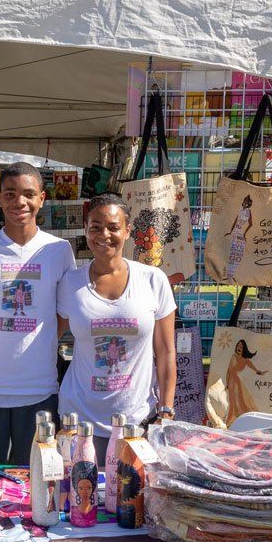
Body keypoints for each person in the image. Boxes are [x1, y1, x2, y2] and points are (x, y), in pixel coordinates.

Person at [0, 162, 75, 464]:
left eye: (28, 194)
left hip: (40, 389)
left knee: (35, 487)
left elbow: (63, 316)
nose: (19, 202)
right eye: (10, 194)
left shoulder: (59, 250)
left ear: (42, 199)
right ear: (0, 199)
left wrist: (41, 341)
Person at [55, 194, 178, 464]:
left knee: (129, 500)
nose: (105, 235)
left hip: (135, 420)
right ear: (86, 230)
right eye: (95, 227)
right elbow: (47, 336)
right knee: (79, 500)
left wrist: (166, 410)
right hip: (78, 419)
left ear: (127, 230)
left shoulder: (152, 280)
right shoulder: (70, 283)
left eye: (113, 227)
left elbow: (167, 352)